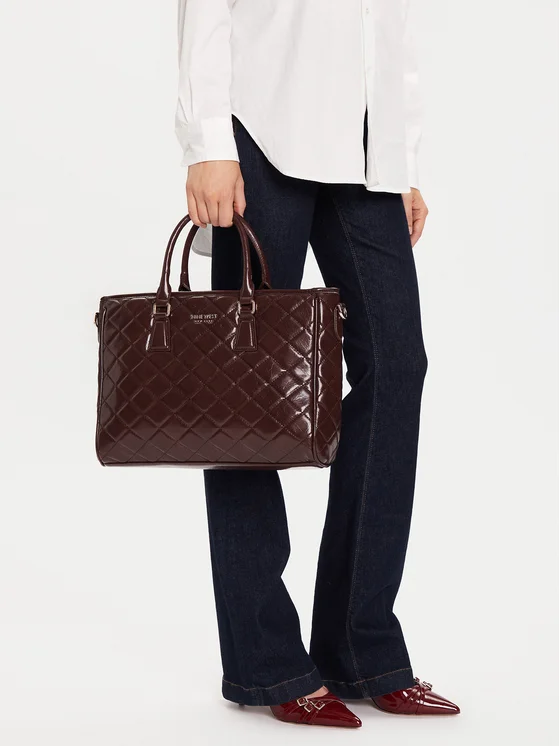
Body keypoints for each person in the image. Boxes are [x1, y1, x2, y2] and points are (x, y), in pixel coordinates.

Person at [174, 0, 460, 728]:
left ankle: (361, 648)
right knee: (247, 394)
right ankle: (266, 663)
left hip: (367, 151)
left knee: (397, 366)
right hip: (262, 130)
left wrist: (402, 157)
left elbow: (390, 23)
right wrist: (208, 142)